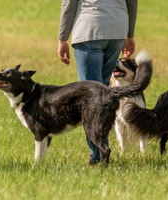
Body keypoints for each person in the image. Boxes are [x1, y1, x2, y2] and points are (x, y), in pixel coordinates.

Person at [57, 0, 138, 164]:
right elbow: (132, 2)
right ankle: (102, 152)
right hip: (117, 31)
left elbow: (69, 4)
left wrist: (62, 38)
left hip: (89, 30)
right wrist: (129, 35)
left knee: (90, 98)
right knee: (102, 92)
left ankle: (98, 157)